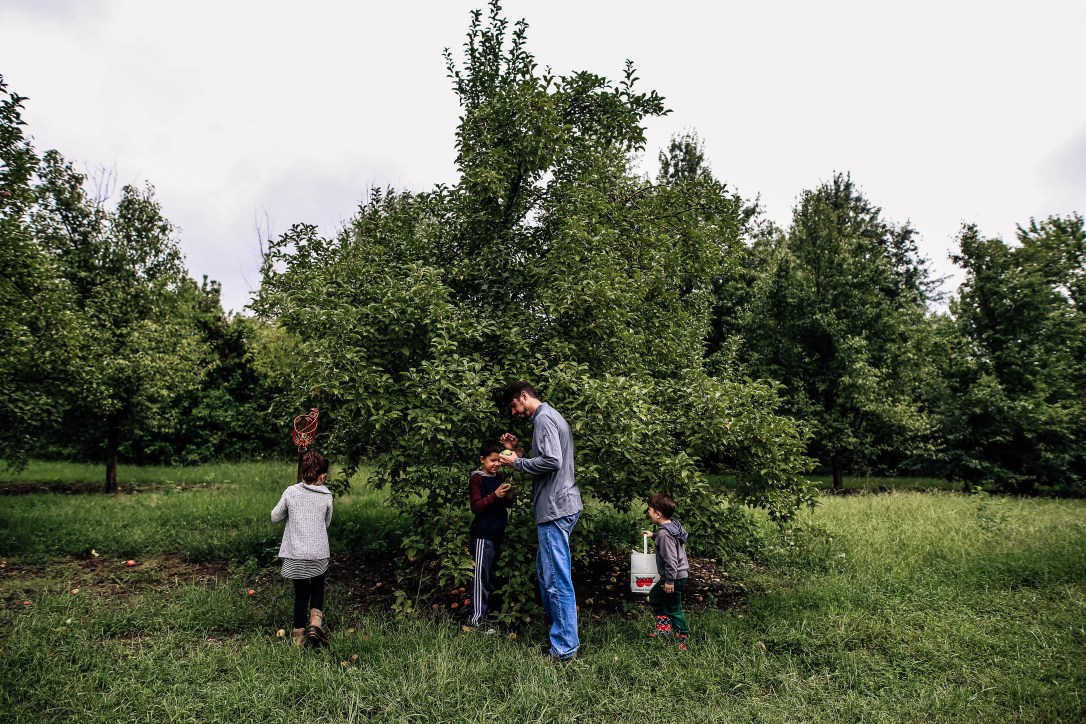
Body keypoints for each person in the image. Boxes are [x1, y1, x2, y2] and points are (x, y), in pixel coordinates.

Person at [497, 380, 582, 661]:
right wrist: (518, 451)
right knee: (548, 575)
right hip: (559, 505)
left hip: (555, 508)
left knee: (556, 579)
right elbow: (545, 463)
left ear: (524, 396)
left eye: (514, 405)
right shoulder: (549, 417)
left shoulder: (544, 418)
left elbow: (552, 461)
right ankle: (560, 634)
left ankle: (564, 647)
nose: (515, 412)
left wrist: (516, 463)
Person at [271, 449, 333, 647]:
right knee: (317, 587)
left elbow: (275, 516)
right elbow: (327, 523)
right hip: (318, 553)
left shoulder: (291, 492)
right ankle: (316, 623)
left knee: (300, 594)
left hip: (296, 554)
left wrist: (292, 512)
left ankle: (298, 639)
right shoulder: (326, 495)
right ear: (322, 475)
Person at [468, 440, 517, 630]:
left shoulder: (500, 476)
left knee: (493, 577)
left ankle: (492, 617)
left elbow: (505, 504)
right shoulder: (478, 478)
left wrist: (509, 495)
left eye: (499, 461)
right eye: (492, 460)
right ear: (482, 460)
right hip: (482, 535)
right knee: (480, 577)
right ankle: (477, 620)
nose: (496, 464)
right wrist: (495, 495)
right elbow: (476, 506)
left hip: (497, 533)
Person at [641, 492, 690, 650]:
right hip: (675, 575)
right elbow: (670, 542)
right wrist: (654, 535)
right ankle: (664, 628)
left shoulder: (664, 534)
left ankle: (682, 638)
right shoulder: (672, 527)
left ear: (657, 514)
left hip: (673, 577)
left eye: (650, 509)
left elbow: (671, 560)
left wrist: (669, 581)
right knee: (655, 596)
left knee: (674, 608)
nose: (648, 511)